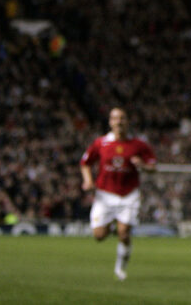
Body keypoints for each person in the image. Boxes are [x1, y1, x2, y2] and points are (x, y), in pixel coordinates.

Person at [80, 107, 157, 281]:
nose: (119, 122)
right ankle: (113, 224)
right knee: (99, 236)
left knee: (124, 233)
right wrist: (88, 181)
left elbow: (153, 167)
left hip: (128, 195)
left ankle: (120, 268)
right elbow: (85, 163)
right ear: (110, 122)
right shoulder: (101, 143)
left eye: (122, 118)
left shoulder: (139, 145)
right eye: (115, 118)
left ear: (127, 122)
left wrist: (143, 165)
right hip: (105, 195)